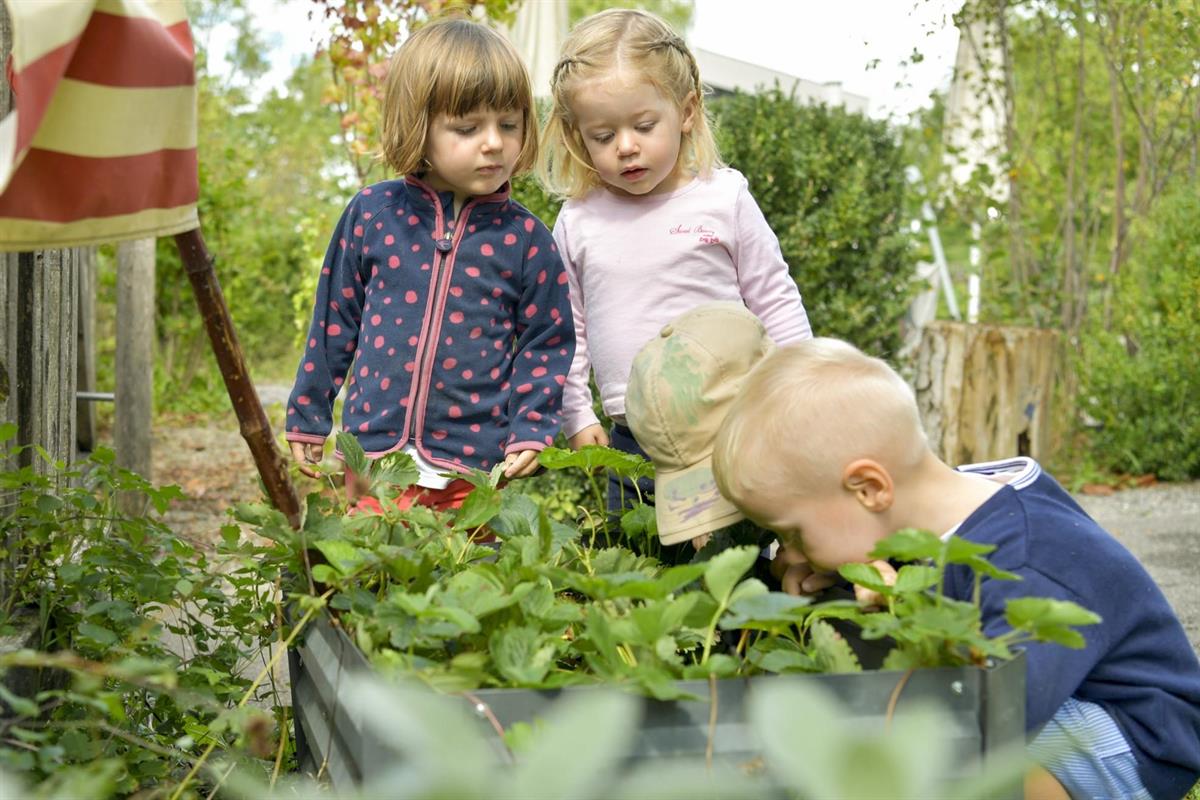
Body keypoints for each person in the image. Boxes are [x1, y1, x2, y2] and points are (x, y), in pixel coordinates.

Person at [711, 338, 1200, 800]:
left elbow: (994, 714)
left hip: (1138, 735)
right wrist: (810, 566)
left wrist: (901, 607)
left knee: (953, 756)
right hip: (1060, 695)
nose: (793, 550)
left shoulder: (1024, 559)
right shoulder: (931, 509)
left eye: (793, 532)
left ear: (868, 488)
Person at [539, 8, 812, 548]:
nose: (626, 146)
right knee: (639, 566)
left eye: (643, 126)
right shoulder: (580, 219)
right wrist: (574, 411)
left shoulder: (722, 197)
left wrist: (801, 388)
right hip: (631, 441)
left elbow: (773, 298)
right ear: (577, 137)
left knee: (736, 565)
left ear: (685, 111)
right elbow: (565, 327)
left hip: (728, 427)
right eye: (602, 134)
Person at [285, 18, 574, 513]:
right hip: (374, 455)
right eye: (467, 128)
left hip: (472, 462)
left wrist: (533, 426)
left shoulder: (526, 240)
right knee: (372, 578)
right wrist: (309, 413)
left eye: (508, 125)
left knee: (461, 579)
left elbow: (546, 343)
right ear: (418, 126)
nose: (494, 143)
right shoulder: (374, 215)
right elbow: (333, 323)